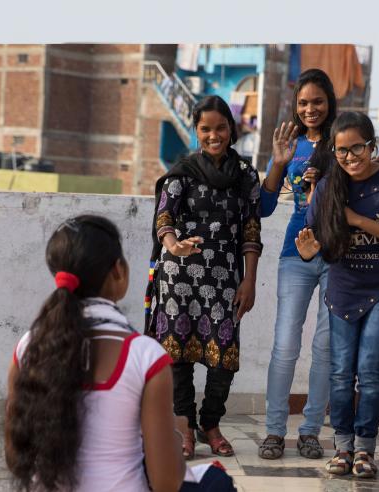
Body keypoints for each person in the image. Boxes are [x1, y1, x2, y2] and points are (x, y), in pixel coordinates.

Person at [5, 215, 233, 491]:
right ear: (119, 271)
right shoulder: (145, 356)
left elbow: (15, 457)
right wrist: (174, 431)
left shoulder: (28, 346)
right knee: (217, 481)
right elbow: (166, 483)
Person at [295, 111, 379, 478]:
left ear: (372, 145)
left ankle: (365, 450)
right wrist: (307, 250)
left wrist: (359, 220)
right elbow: (314, 238)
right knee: (342, 372)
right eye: (341, 151)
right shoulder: (330, 185)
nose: (349, 158)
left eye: (356, 148)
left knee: (369, 369)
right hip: (343, 289)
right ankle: (342, 447)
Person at [146, 95, 262, 459]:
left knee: (223, 354)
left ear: (231, 129)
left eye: (221, 127)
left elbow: (251, 231)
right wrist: (173, 244)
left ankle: (211, 424)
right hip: (179, 276)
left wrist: (250, 280)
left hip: (226, 278)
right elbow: (164, 217)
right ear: (197, 132)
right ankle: (184, 426)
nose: (214, 135)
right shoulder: (183, 172)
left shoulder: (245, 176)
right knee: (178, 355)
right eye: (205, 128)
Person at [258, 68, 336, 460]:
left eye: (317, 101)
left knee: (325, 347)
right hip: (295, 253)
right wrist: (277, 163)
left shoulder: (343, 142)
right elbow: (263, 206)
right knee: (285, 345)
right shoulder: (292, 145)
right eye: (303, 102)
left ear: (330, 103)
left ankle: (309, 431)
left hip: (336, 255)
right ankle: (274, 431)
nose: (310, 109)